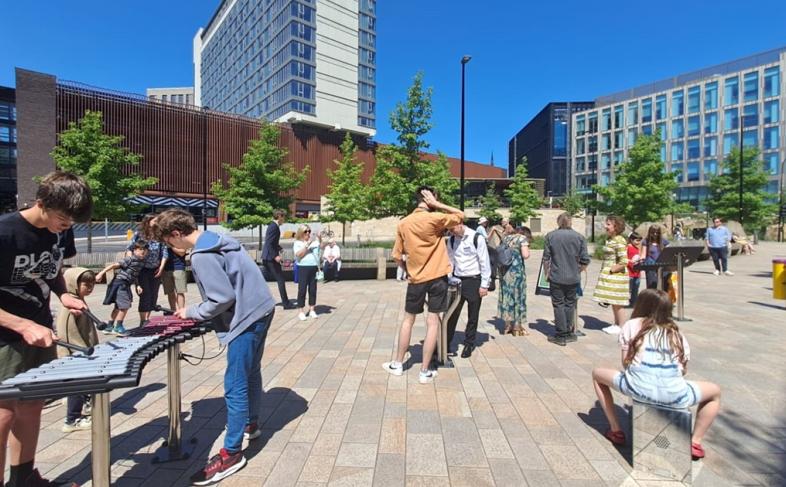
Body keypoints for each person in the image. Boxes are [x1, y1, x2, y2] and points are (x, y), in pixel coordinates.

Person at [154, 208, 276, 486]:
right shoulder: (217, 236)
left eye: (169, 243)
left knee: (235, 384)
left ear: (176, 234)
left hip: (246, 317)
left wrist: (191, 311)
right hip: (262, 307)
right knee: (251, 372)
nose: (172, 249)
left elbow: (221, 298)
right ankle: (251, 423)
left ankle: (232, 453)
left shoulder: (201, 254)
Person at [0, 170, 91, 487]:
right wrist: (19, 324)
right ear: (41, 203)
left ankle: (24, 478)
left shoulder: (60, 232)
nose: (66, 226)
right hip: (4, 336)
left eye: (71, 222)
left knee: (31, 404)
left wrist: (63, 293)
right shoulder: (5, 232)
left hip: (39, 329)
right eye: (63, 219)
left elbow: (51, 269)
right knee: (4, 412)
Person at [591, 289, 721, 460]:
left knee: (597, 374)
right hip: (676, 396)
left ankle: (616, 430)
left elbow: (625, 362)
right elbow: (683, 370)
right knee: (715, 392)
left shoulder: (632, 325)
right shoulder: (676, 333)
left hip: (637, 388)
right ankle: (695, 441)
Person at [383, 187, 463, 384]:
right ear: (429, 199)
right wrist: (438, 205)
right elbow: (460, 215)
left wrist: (408, 269)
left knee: (408, 320)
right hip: (437, 276)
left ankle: (398, 363)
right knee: (433, 322)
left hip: (416, 278)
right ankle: (425, 371)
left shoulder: (403, 223)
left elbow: (396, 255)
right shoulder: (435, 217)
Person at [56, 268, 98, 433]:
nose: (90, 287)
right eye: (86, 284)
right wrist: (83, 352)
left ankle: (86, 405)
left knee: (84, 386)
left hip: (84, 352)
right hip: (76, 355)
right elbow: (67, 335)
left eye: (92, 284)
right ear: (73, 284)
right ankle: (71, 420)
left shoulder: (79, 300)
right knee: (77, 387)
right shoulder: (69, 307)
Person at [543, 213, 590, 346]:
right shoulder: (579, 237)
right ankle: (569, 332)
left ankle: (561, 334)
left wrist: (547, 274)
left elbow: (546, 258)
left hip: (557, 276)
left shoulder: (550, 236)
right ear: (571, 222)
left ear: (558, 222)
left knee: (558, 304)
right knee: (570, 304)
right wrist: (578, 270)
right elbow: (585, 259)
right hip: (573, 277)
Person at [445, 221, 491, 358]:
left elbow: (484, 261)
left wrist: (484, 285)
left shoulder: (477, 238)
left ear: (460, 224)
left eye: (453, 229)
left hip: (473, 280)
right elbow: (450, 260)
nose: (452, 232)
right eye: (449, 230)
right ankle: (446, 343)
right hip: (457, 280)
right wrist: (449, 277)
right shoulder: (452, 239)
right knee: (451, 314)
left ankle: (469, 344)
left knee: (473, 315)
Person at [98, 240, 148, 336]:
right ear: (134, 250)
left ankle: (109, 327)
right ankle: (118, 327)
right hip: (120, 283)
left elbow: (135, 274)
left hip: (126, 284)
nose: (143, 252)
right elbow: (113, 265)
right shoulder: (129, 259)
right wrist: (101, 273)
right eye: (140, 249)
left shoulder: (141, 262)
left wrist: (138, 285)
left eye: (145, 250)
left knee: (118, 306)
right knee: (124, 306)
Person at [128, 214, 169, 324]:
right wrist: (131, 263)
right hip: (142, 268)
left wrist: (161, 267)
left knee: (153, 295)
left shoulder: (159, 235)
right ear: (148, 221)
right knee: (145, 294)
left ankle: (148, 319)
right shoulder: (139, 234)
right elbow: (130, 248)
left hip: (155, 268)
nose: (157, 223)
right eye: (155, 220)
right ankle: (143, 320)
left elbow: (165, 252)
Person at [592, 215, 629, 334]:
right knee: (613, 301)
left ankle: (622, 326)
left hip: (616, 277)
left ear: (616, 226)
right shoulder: (611, 239)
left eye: (608, 224)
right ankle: (617, 324)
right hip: (611, 276)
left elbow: (624, 261)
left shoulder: (619, 240)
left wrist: (612, 270)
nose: (605, 226)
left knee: (618, 302)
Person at [498, 224, 531, 336]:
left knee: (507, 297)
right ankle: (517, 326)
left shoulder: (506, 238)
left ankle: (507, 325)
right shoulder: (522, 238)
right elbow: (525, 255)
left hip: (505, 272)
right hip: (516, 273)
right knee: (518, 296)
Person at [262, 210, 294, 308]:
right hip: (270, 258)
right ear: (279, 216)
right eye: (283, 217)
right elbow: (269, 243)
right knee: (280, 279)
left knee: (262, 279)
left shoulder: (273, 226)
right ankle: (286, 303)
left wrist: (279, 248)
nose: (284, 219)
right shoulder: (273, 227)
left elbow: (273, 242)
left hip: (267, 258)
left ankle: (261, 302)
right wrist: (275, 256)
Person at [293, 225, 325, 321]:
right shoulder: (297, 243)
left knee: (313, 289)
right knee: (302, 289)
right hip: (303, 268)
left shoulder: (314, 242)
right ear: (301, 233)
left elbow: (322, 246)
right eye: (305, 231)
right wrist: (307, 245)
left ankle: (312, 310)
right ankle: (301, 311)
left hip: (313, 267)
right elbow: (299, 254)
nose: (308, 233)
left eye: (309, 231)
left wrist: (319, 237)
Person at [641, 225, 670, 290]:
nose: (655, 234)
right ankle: (652, 299)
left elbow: (669, 253)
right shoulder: (646, 241)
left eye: (657, 233)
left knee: (665, 285)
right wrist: (640, 263)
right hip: (651, 265)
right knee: (651, 285)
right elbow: (643, 255)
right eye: (653, 232)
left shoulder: (664, 241)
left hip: (663, 265)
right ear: (649, 232)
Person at [161, 246, 188, 312]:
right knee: (170, 292)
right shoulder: (162, 241)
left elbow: (182, 252)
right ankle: (173, 311)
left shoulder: (178, 239)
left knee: (180, 292)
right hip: (166, 269)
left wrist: (171, 247)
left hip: (179, 267)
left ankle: (181, 311)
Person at [627, 232, 643, 308]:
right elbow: (623, 259)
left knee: (635, 289)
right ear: (631, 240)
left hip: (637, 273)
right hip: (629, 273)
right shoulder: (627, 248)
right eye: (637, 240)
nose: (638, 242)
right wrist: (630, 261)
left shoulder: (637, 248)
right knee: (628, 289)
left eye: (639, 241)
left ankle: (633, 303)